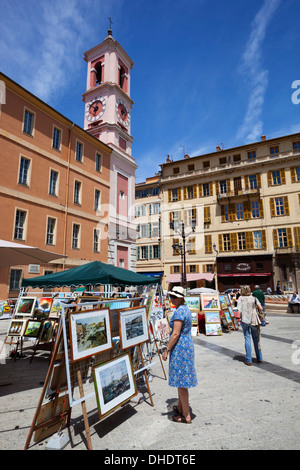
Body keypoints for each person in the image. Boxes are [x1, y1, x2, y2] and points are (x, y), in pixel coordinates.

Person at [162, 286, 197, 424]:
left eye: (174, 297)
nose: (171, 299)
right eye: (171, 296)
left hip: (180, 349)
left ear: (180, 298)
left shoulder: (179, 312)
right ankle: (182, 408)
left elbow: (176, 334)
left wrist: (166, 350)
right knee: (181, 380)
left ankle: (186, 416)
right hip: (186, 346)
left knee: (182, 383)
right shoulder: (185, 309)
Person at [237, 285, 264, 366]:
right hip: (253, 320)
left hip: (245, 320)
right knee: (256, 339)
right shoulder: (253, 298)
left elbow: (239, 310)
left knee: (247, 338)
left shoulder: (240, 298)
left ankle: (249, 359)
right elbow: (261, 308)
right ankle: (259, 357)